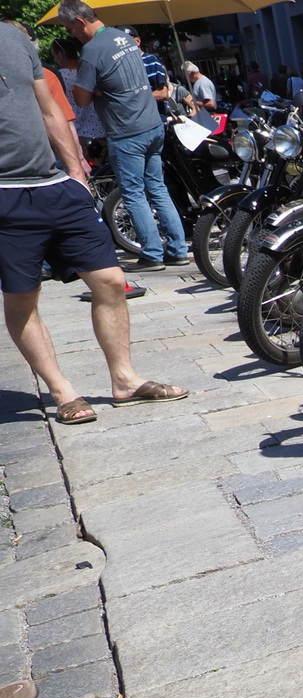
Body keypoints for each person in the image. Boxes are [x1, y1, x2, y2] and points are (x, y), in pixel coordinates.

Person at [0, 21, 187, 427]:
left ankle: (124, 380)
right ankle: (62, 391)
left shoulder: (14, 38)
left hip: (55, 185)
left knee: (109, 280)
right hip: (5, 195)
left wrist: (77, 175)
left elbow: (49, 108)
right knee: (22, 297)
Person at [57, 0, 189, 272]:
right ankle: (177, 249)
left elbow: (80, 99)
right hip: (152, 124)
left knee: (133, 193)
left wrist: (95, 92)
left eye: (71, 28)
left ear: (80, 22)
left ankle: (152, 253)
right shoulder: (123, 38)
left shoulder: (92, 51)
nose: (72, 34)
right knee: (158, 188)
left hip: (126, 130)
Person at [53, 39, 105, 160]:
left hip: (77, 136)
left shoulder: (58, 77)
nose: (55, 60)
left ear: (61, 54)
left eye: (54, 56)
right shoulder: (91, 73)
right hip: (101, 134)